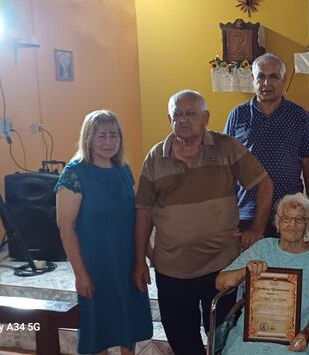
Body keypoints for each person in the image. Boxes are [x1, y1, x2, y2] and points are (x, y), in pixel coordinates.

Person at [134, 90, 273, 354]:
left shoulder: (227, 147)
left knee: (223, 337)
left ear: (206, 117)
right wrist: (140, 258)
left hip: (221, 266)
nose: (184, 120)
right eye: (177, 114)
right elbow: (143, 211)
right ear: (169, 119)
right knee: (181, 337)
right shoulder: (155, 157)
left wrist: (256, 228)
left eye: (191, 113)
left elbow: (264, 183)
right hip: (172, 269)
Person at [56, 110, 153, 354]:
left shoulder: (123, 169)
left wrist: (145, 256)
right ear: (88, 138)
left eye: (114, 135)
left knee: (128, 324)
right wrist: (81, 274)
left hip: (127, 261)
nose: (109, 142)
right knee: (99, 327)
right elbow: (65, 229)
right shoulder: (74, 174)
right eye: (102, 136)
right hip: (96, 264)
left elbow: (134, 216)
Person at [216, 193, 309, 355]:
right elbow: (221, 283)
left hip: (296, 338)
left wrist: (307, 334)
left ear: (308, 226)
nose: (292, 224)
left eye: (299, 219)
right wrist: (245, 271)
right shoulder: (262, 248)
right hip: (252, 335)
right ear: (278, 223)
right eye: (286, 218)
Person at [225, 53, 309, 238]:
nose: (266, 83)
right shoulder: (238, 115)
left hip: (287, 210)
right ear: (253, 79)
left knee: (286, 264)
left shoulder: (299, 116)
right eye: (261, 76)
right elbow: (226, 166)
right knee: (250, 266)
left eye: (273, 77)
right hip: (247, 210)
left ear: (284, 80)